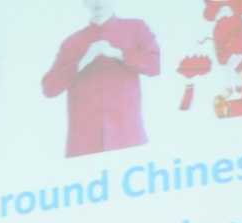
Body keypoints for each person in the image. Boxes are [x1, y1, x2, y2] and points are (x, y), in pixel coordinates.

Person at [41, 0, 160, 156]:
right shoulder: (71, 43)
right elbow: (49, 88)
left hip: (128, 138)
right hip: (83, 145)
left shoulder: (136, 28)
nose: (98, 2)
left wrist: (119, 54)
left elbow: (155, 66)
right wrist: (82, 62)